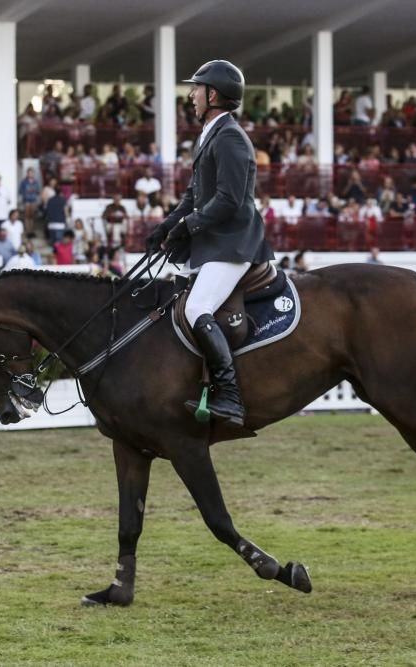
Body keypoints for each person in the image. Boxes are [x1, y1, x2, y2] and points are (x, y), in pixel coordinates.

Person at [144, 60, 273, 427]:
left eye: (196, 89)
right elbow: (194, 195)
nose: (191, 95)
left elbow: (230, 199)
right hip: (214, 241)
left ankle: (230, 396)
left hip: (234, 243)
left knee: (195, 308)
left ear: (212, 94)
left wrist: (190, 224)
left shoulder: (231, 137)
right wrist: (167, 226)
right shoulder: (210, 135)